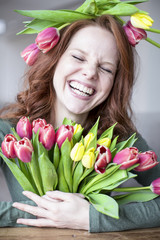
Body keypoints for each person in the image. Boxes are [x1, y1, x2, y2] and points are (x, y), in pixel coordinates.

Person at [0, 9, 160, 232]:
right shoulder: (11, 132)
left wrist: (92, 217)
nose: (90, 73)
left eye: (106, 68)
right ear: (55, 60)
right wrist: (50, 213)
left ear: (115, 83)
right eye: (78, 57)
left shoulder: (120, 139)